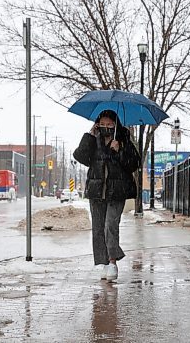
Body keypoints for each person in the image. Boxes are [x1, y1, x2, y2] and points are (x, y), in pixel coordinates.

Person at [73, 110, 140, 281]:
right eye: (102, 124)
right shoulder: (94, 140)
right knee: (98, 228)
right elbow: (80, 156)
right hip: (96, 190)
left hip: (117, 191)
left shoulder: (123, 140)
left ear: (115, 125)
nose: (105, 128)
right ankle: (101, 263)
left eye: (109, 125)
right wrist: (89, 135)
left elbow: (134, 164)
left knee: (110, 225)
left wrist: (119, 151)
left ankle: (112, 262)